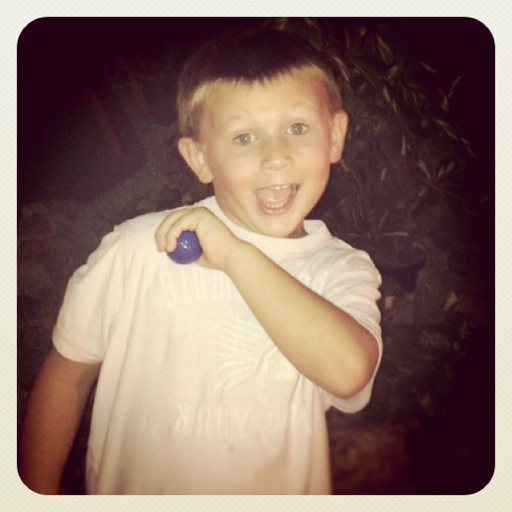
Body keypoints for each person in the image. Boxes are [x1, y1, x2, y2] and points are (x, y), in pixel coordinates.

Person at [19, 27, 382, 495]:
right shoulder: (141, 246)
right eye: (244, 137)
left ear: (335, 136)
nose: (276, 157)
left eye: (297, 128)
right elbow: (67, 377)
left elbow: (349, 374)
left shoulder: (342, 269)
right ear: (200, 158)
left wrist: (234, 255)